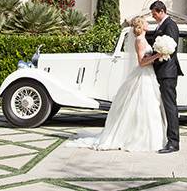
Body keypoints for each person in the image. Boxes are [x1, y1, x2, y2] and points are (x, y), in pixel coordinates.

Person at [65, 17, 167, 151]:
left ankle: (149, 137)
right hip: (143, 75)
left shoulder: (143, 39)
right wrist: (157, 56)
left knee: (149, 106)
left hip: (148, 75)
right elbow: (141, 62)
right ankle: (139, 138)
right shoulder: (139, 40)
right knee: (143, 105)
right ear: (141, 26)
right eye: (146, 22)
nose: (148, 23)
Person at [150, 0, 183, 154]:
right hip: (162, 71)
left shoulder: (170, 25)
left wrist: (154, 56)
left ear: (161, 11)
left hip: (167, 72)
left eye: (154, 13)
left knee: (170, 106)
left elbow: (170, 47)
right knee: (166, 106)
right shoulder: (162, 25)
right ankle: (167, 138)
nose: (153, 16)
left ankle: (173, 142)